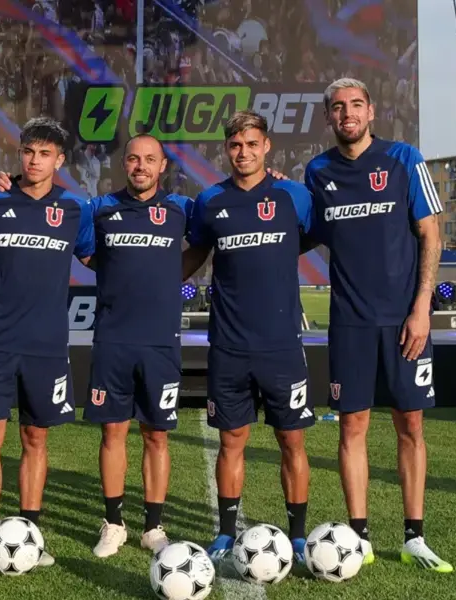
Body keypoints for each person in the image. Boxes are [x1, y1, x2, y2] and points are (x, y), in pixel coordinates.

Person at [0, 134, 191, 558]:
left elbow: (207, 242)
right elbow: (81, 251)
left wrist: (173, 273)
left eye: (149, 160)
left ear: (162, 166)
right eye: (133, 158)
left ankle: (153, 527)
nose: (140, 166)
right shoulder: (96, 209)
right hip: (113, 338)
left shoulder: (182, 210)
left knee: (156, 435)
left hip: (161, 341)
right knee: (112, 432)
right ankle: (113, 522)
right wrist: (4, 186)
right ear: (124, 164)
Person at [304, 77, 451, 573]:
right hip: (349, 323)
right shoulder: (317, 171)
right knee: (353, 426)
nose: (347, 113)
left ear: (371, 112)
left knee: (410, 424)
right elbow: (304, 231)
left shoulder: (405, 159)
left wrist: (421, 308)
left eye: (356, 105)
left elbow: (431, 233)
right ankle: (359, 536)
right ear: (329, 118)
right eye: (338, 107)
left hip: (405, 320)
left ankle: (414, 536)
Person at [0, 117, 94, 573]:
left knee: (35, 439)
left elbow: (97, 256)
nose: (35, 161)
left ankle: (30, 535)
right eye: (29, 152)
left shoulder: (75, 209)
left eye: (45, 154)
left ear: (60, 160)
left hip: (48, 346)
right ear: (20, 155)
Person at [181, 111, 316, 566]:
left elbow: (317, 234)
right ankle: (224, 532)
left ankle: (298, 538)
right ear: (227, 149)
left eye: (252, 144)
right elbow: (194, 255)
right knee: (231, 440)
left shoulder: (294, 196)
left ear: (267, 147)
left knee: (291, 441)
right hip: (229, 346)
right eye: (236, 145)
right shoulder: (209, 202)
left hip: (281, 345)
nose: (244, 153)